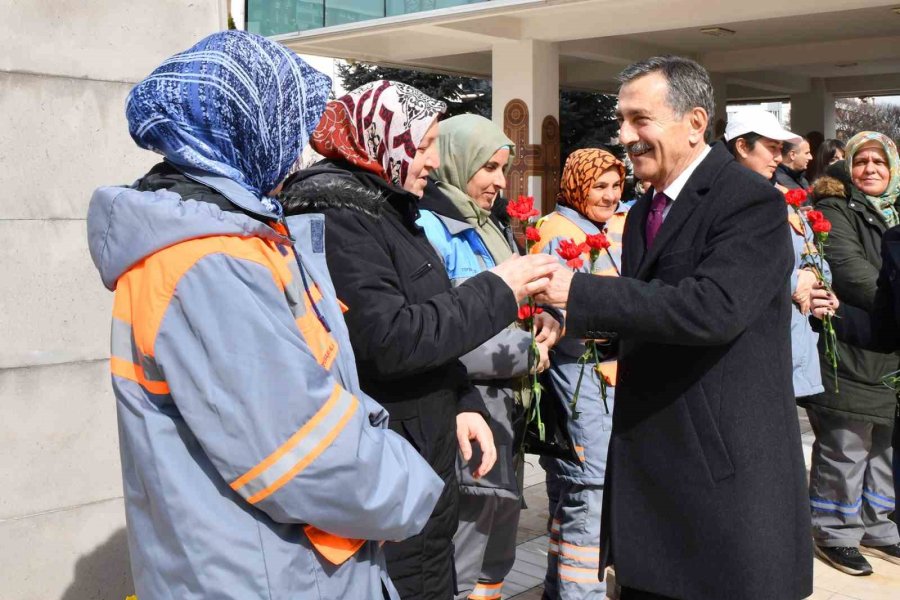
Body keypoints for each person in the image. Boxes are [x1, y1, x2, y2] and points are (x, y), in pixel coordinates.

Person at [86, 32, 445, 600]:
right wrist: (411, 489)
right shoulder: (206, 262)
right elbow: (299, 455)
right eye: (289, 125)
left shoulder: (228, 238)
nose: (299, 145)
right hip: (266, 575)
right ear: (249, 128)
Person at [534, 55, 813, 600]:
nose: (625, 136)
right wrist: (568, 317)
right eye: (621, 120)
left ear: (694, 122)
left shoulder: (749, 202)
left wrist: (581, 291)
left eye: (641, 120)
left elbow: (712, 308)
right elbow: (650, 316)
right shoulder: (643, 212)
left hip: (719, 479)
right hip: (656, 470)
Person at [279, 81, 558, 600]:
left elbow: (427, 324)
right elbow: (389, 338)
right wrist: (499, 288)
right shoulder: (340, 212)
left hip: (419, 456)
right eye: (424, 142)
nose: (431, 159)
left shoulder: (386, 205)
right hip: (386, 464)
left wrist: (461, 398)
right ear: (380, 137)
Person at [415, 113, 562, 600]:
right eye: (489, 168)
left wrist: (542, 318)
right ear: (457, 163)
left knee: (496, 549)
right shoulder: (431, 230)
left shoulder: (487, 226)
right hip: (468, 409)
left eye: (503, 169)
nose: (500, 182)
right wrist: (524, 349)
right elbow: (443, 330)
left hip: (505, 409)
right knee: (465, 547)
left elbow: (505, 304)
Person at [530, 148, 628, 600]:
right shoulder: (560, 232)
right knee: (586, 501)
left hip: (597, 383)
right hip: (579, 383)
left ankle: (558, 591)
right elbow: (553, 312)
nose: (609, 195)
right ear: (576, 185)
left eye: (615, 185)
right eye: (599, 186)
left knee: (573, 502)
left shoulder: (601, 230)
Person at [803, 131, 900, 574]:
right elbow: (849, 270)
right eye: (862, 161)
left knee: (884, 442)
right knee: (847, 443)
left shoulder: (896, 208)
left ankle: (877, 525)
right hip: (851, 341)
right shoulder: (835, 209)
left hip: (891, 345)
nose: (871, 170)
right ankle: (834, 530)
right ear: (848, 166)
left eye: (880, 162)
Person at [723, 112, 831, 403]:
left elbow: (817, 255)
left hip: (793, 343)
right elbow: (736, 272)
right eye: (771, 148)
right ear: (743, 147)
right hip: (748, 350)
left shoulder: (785, 198)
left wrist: (814, 279)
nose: (778, 157)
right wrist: (795, 280)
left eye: (781, 149)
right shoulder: (721, 201)